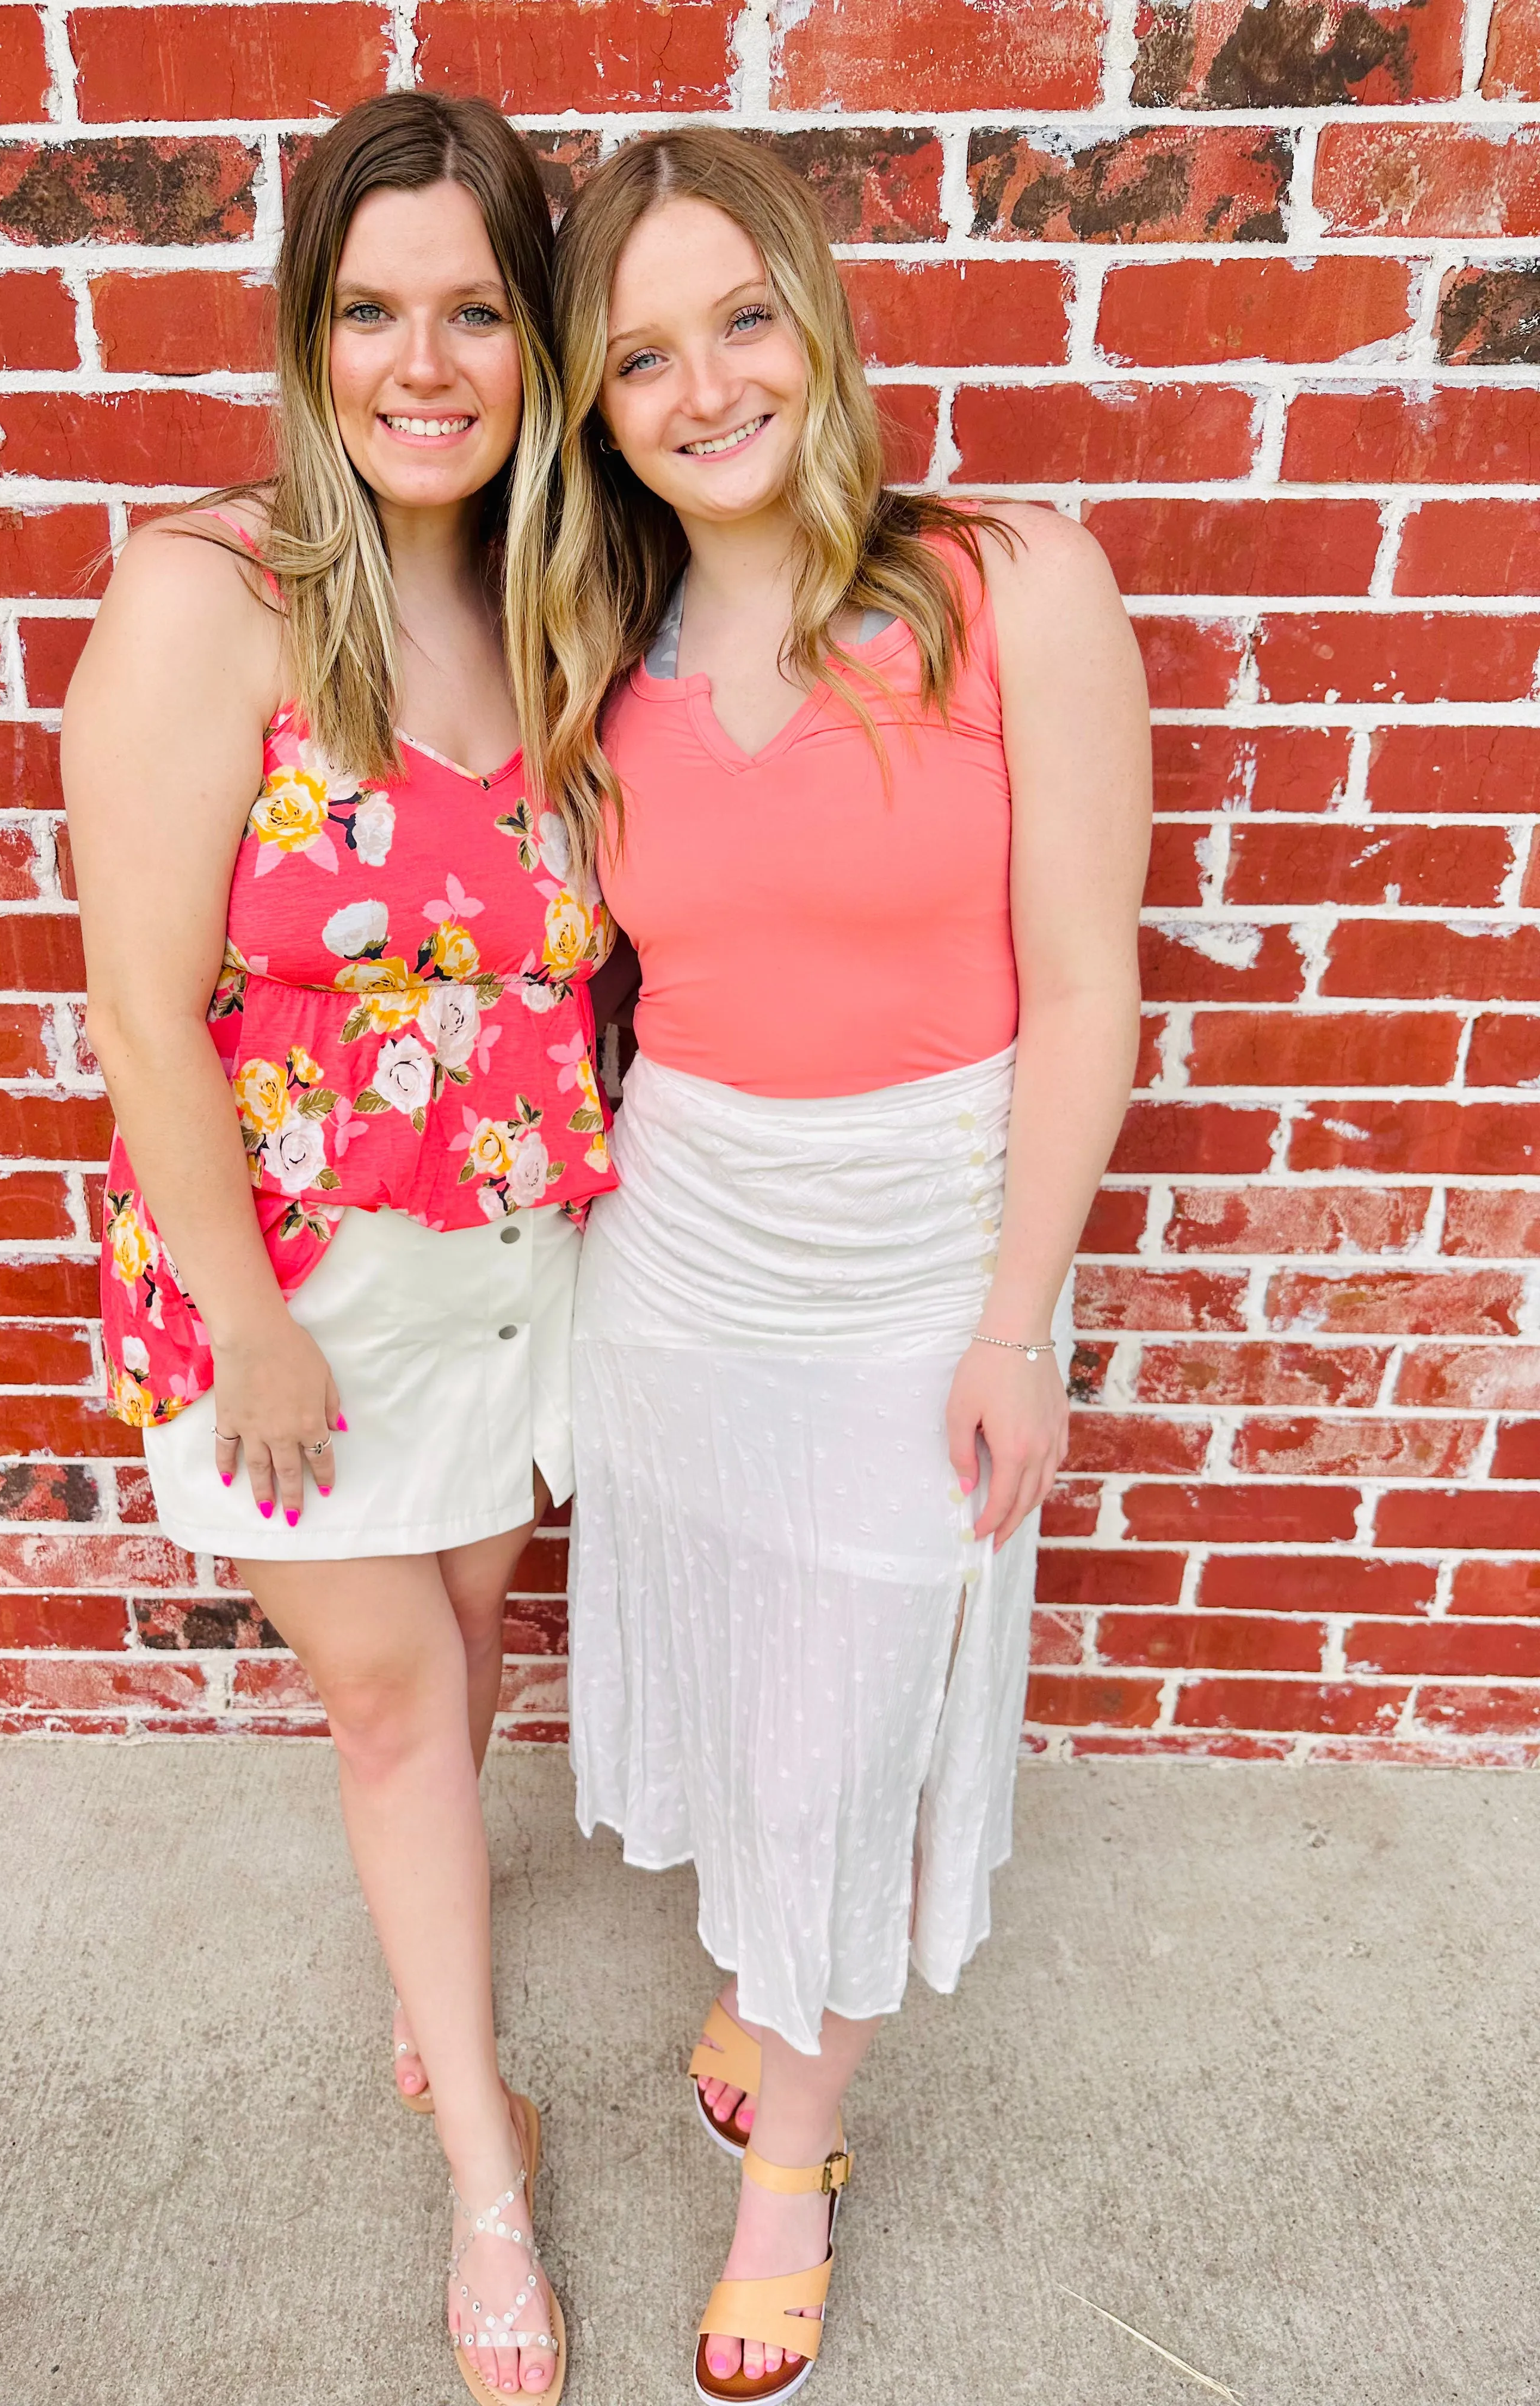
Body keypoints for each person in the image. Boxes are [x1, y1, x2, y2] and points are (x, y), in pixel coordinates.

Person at [541, 128, 1150, 2401]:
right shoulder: (602, 643)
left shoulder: (1011, 585)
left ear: (817, 313)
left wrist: (1016, 1321)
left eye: (740, 320)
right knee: (748, 1680)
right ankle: (759, 1977)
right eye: (639, 359)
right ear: (597, 414)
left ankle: (790, 2166)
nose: (704, 388)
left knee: (868, 1713)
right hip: (687, 1248)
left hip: (919, 1251)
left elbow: (1086, 985)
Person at [63, 90, 613, 2403]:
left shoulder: (562, 593)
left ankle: (431, 1979)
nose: (424, 361)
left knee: (462, 1655)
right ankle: (483, 2167)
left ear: (536, 344)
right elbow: (136, 999)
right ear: (309, 332)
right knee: (387, 1695)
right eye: (372, 307)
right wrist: (259, 1327)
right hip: (292, 1293)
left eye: (476, 310)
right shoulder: (214, 594)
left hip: (514, 1272)